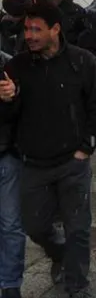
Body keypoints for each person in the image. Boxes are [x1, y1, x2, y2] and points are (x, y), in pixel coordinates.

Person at [0, 3, 96, 298]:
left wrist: (87, 146)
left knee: (78, 226)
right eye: (26, 29)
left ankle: (77, 284)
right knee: (35, 226)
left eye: (36, 29)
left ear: (55, 29)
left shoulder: (83, 62)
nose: (30, 35)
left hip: (72, 160)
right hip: (33, 163)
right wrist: (8, 99)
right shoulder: (16, 67)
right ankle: (59, 252)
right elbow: (7, 119)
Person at [0, 48, 22, 298]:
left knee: (10, 224)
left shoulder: (9, 64)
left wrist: (13, 97)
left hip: (6, 153)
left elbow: (26, 112)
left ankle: (10, 284)